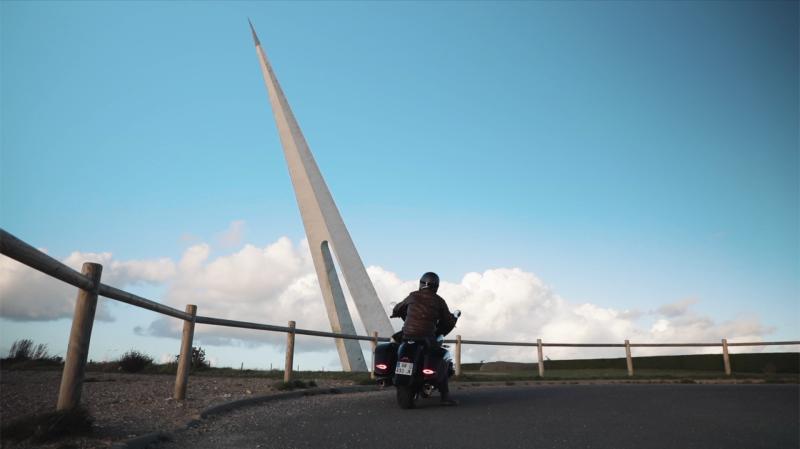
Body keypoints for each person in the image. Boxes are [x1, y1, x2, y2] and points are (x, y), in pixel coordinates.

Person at [391, 272, 459, 405]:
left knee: (394, 343)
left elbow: (398, 308)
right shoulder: (439, 301)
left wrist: (395, 312)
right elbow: (448, 321)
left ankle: (392, 372)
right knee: (444, 356)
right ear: (436, 286)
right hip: (426, 337)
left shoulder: (413, 296)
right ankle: (445, 396)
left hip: (407, 335)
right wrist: (454, 319)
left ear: (421, 283)